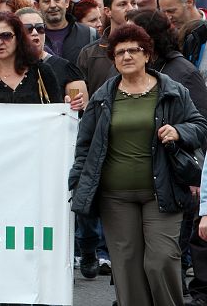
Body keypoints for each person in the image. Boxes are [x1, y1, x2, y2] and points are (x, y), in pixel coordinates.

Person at [69, 24, 207, 306]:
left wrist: (179, 132)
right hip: (115, 198)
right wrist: (77, 182)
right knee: (127, 269)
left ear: (147, 55)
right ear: (114, 60)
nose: (127, 56)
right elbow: (85, 146)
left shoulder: (172, 90)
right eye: (120, 52)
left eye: (134, 50)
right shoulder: (103, 97)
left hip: (163, 193)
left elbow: (200, 125)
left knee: (161, 262)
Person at [15, 7, 87, 110]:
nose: (35, 33)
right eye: (28, 29)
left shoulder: (66, 69)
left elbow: (83, 110)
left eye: (40, 28)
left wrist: (74, 106)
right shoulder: (7, 69)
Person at [34, 0, 98, 65]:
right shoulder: (31, 38)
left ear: (67, 1)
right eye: (46, 1)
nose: (52, 5)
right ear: (37, 6)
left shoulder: (90, 35)